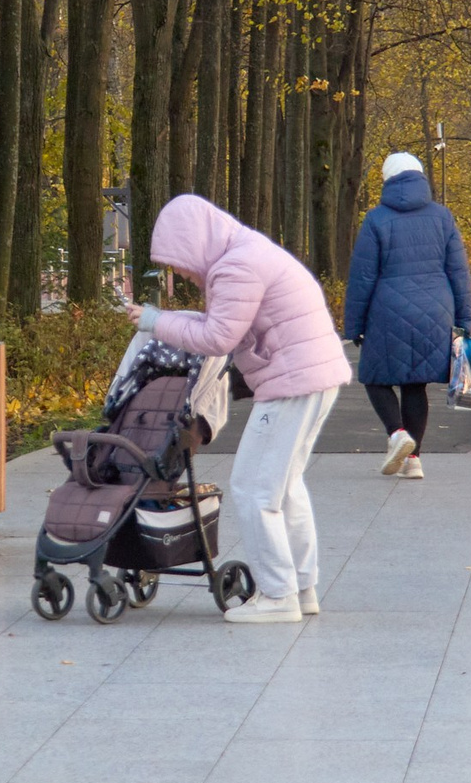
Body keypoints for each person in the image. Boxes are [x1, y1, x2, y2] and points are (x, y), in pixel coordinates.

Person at [140, 194, 353, 624]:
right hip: (311, 377)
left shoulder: (234, 266)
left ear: (192, 242)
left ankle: (277, 596)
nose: (180, 273)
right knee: (284, 487)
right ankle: (302, 588)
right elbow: (222, 327)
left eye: (177, 261)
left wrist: (155, 322)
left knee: (254, 488)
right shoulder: (246, 251)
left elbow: (217, 338)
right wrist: (163, 319)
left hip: (292, 383)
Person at [343, 151, 471, 479]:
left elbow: (362, 277)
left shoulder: (376, 219)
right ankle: (413, 460)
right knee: (415, 385)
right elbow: (459, 272)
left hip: (388, 312)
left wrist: (354, 326)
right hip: (436, 312)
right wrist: (464, 320)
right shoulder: (442, 217)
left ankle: (397, 434)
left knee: (374, 378)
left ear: (387, 180)